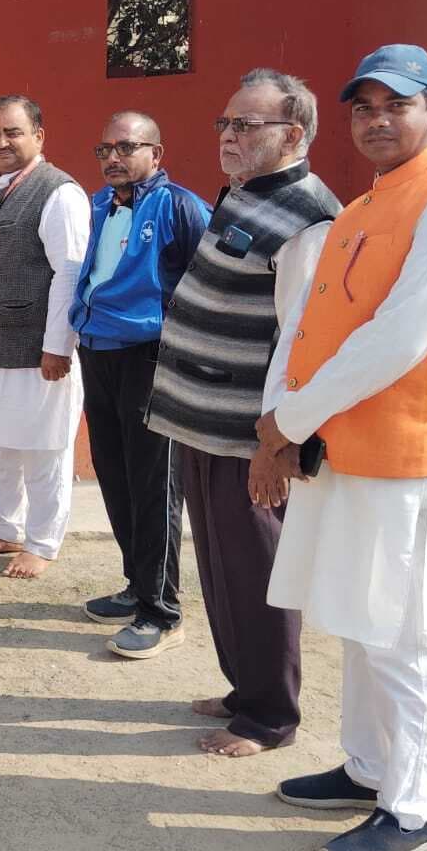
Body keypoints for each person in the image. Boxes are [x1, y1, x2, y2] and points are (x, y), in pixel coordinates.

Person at [258, 45, 427, 851]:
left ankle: (414, 807)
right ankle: (367, 767)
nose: (376, 120)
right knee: (360, 623)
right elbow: (308, 318)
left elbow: (397, 340)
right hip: (344, 450)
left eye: (393, 104)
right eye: (362, 107)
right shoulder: (366, 206)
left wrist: (290, 419)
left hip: (406, 457)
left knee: (403, 633)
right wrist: (280, 420)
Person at [147, 69, 340, 756]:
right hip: (203, 419)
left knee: (258, 572)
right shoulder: (244, 195)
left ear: (291, 134)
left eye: (245, 126)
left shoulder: (309, 218)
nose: (228, 136)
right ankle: (242, 687)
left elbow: (300, 341)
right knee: (224, 568)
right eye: (224, 124)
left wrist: (275, 445)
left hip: (247, 434)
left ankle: (270, 715)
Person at [69, 112, 211, 658]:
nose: (113, 158)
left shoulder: (180, 206)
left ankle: (162, 610)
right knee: (116, 474)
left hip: (152, 355)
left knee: (156, 481)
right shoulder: (99, 205)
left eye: (127, 147)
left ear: (157, 152)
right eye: (104, 148)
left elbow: (211, 280)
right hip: (98, 349)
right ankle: (136, 585)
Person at [0, 96, 90, 578]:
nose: (2, 142)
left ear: (39, 136)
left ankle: (43, 541)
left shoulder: (59, 193)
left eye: (13, 132)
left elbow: (70, 272)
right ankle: (8, 528)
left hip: (39, 353)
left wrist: (58, 344)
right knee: (0, 447)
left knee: (43, 447)